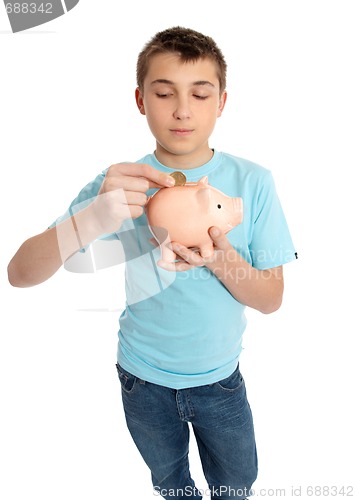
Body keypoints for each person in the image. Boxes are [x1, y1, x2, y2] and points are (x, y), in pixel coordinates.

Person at [8, 26, 297, 499]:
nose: (182, 110)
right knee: (169, 480)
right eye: (164, 93)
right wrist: (91, 219)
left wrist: (221, 258)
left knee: (238, 482)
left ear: (222, 102)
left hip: (219, 380)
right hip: (141, 379)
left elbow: (272, 299)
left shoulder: (254, 182)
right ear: (141, 100)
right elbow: (19, 275)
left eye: (200, 94)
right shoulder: (118, 184)